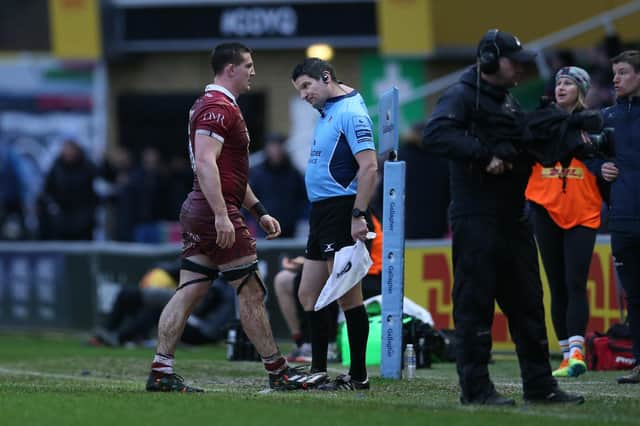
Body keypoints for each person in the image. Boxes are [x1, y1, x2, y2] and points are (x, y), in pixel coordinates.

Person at [422, 29, 584, 405]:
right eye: (515, 63)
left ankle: (540, 385)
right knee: (474, 304)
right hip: (475, 216)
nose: (521, 71)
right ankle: (476, 391)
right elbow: (436, 135)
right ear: (491, 60)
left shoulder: (508, 102)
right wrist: (483, 154)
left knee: (528, 302)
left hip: (514, 216)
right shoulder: (461, 95)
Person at [146, 42, 305, 393]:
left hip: (203, 207)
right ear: (229, 69)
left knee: (190, 288)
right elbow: (205, 163)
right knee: (250, 290)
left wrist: (259, 211)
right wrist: (222, 215)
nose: (252, 71)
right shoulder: (219, 107)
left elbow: (225, 171)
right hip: (212, 209)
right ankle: (279, 373)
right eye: (247, 65)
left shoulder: (214, 105)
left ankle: (160, 371)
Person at [290, 58, 378, 391]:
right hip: (322, 213)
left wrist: (358, 214)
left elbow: (369, 168)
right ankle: (318, 369)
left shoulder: (351, 113)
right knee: (308, 294)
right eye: (299, 89)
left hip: (342, 212)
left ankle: (358, 376)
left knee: (346, 297)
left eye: (306, 86)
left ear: (326, 77)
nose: (303, 95)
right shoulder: (330, 111)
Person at [525, 67, 604, 378]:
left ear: (580, 90)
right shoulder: (540, 120)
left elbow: (605, 159)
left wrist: (602, 163)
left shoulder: (594, 123)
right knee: (556, 285)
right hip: (545, 207)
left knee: (575, 282)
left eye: (568, 83)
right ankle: (565, 356)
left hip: (583, 210)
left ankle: (576, 352)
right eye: (558, 82)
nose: (561, 87)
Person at [274, 213, 383, 362]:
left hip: (369, 273)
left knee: (328, 284)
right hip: (342, 263)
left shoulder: (356, 214)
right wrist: (304, 264)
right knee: (285, 280)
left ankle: (331, 347)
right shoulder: (321, 210)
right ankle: (304, 343)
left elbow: (350, 255)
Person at [599, 50, 640, 384]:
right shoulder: (607, 116)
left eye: (623, 72)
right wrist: (602, 169)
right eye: (614, 73)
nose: (615, 79)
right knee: (635, 296)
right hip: (623, 218)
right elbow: (590, 159)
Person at [90, 260, 234, 347]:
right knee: (133, 297)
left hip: (202, 330)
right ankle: (111, 335)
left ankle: (117, 337)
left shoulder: (220, 278)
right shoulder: (206, 261)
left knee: (157, 308)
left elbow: (201, 303)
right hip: (195, 319)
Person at [249, 133, 308, 238]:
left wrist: (298, 217)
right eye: (272, 146)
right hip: (263, 227)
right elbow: (248, 199)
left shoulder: (294, 173)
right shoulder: (256, 174)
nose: (275, 151)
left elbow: (304, 199)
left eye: (278, 146)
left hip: (289, 229)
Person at [37, 139, 97, 240]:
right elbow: (47, 191)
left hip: (83, 220)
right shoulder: (56, 167)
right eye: (66, 149)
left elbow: (97, 188)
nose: (69, 152)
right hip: (61, 219)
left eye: (71, 149)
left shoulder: (88, 167)